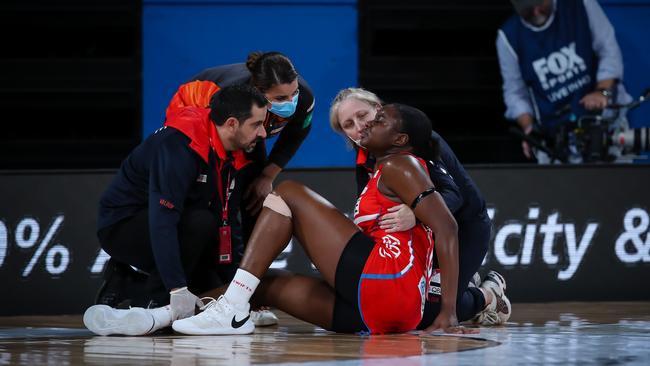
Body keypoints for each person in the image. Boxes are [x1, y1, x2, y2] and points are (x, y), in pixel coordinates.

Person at [172, 103, 476, 335]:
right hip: (382, 312)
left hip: (385, 281)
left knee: (288, 192)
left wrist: (448, 312)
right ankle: (169, 315)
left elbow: (447, 226)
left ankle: (229, 310)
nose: (370, 122)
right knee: (264, 285)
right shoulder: (384, 169)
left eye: (379, 119)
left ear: (400, 139)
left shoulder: (403, 163)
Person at [86, 84, 270, 335]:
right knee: (201, 223)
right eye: (257, 124)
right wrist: (175, 288)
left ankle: (128, 284)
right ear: (231, 124)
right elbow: (162, 221)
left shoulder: (232, 148)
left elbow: (227, 220)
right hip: (122, 225)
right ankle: (155, 301)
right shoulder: (180, 145)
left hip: (174, 223)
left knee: (213, 292)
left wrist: (234, 289)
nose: (263, 133)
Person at [329, 87, 510, 326]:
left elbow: (455, 195)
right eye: (349, 124)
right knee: (415, 303)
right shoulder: (366, 155)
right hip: (422, 235)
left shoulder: (418, 138)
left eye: (363, 115)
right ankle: (462, 283)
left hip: (464, 228)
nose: (359, 126)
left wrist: (415, 213)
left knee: (436, 310)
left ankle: (488, 296)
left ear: (378, 109)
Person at [166, 51, 315, 240]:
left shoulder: (304, 98)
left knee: (257, 194)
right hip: (192, 113)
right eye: (280, 99)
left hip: (242, 128)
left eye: (293, 93)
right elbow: (223, 152)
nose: (290, 103)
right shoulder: (229, 98)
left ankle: (248, 264)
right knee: (218, 196)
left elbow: (296, 135)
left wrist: (266, 176)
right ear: (258, 93)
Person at [497, 0, 632, 163]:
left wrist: (601, 92)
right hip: (556, 138)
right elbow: (514, 93)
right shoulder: (508, 37)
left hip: (604, 124)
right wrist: (529, 128)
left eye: (539, 3)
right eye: (527, 8)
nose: (536, 11)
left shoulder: (580, 5)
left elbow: (609, 51)